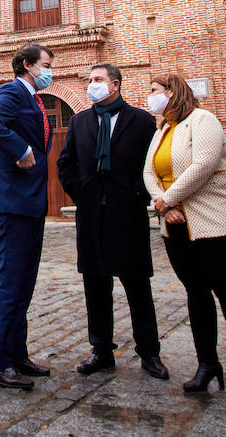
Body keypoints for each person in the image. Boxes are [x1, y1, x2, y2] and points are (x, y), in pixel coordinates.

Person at [144, 74, 226, 398]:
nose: (150, 96)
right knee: (196, 293)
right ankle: (207, 364)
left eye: (154, 91)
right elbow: (148, 172)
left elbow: (203, 165)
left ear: (172, 92)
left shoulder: (203, 120)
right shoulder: (162, 130)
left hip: (215, 223)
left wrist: (168, 200)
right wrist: (163, 205)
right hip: (176, 225)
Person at [56, 63, 167, 380]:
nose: (92, 85)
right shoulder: (79, 122)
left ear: (115, 85)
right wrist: (82, 194)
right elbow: (67, 164)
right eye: (90, 80)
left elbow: (151, 163)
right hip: (91, 214)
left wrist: (136, 194)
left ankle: (149, 352)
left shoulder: (142, 121)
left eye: (98, 80)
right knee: (95, 285)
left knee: (137, 285)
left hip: (127, 213)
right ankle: (101, 350)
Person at [0, 42, 55, 390]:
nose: (49, 71)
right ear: (27, 65)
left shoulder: (32, 98)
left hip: (29, 201)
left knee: (24, 282)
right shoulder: (12, 91)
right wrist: (20, 150)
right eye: (46, 65)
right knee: (9, 282)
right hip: (10, 202)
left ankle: (16, 353)